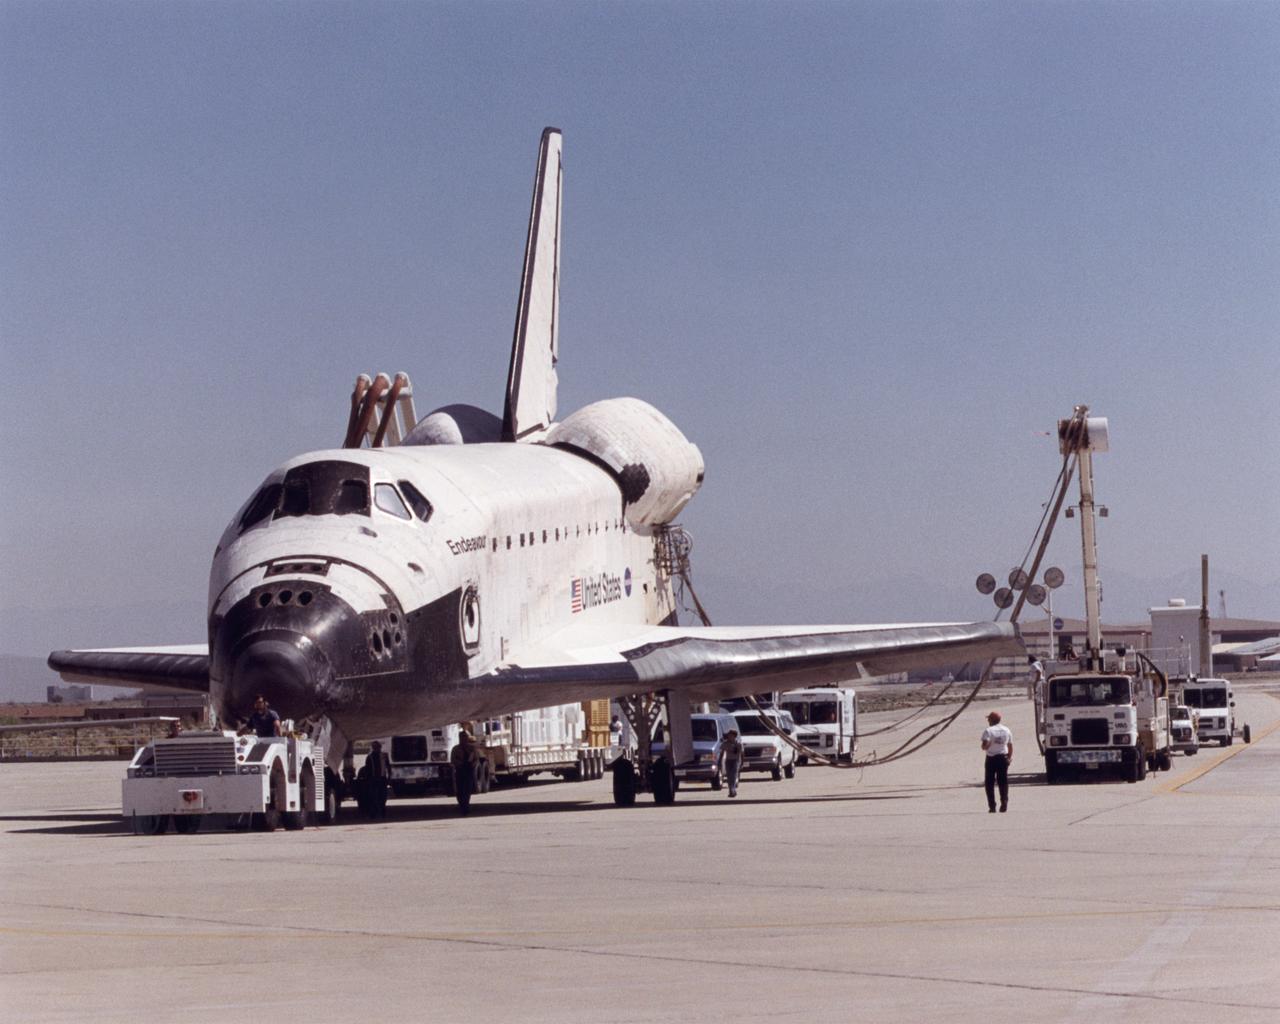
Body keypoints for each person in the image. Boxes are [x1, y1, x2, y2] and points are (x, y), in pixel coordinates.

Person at [981, 710, 1013, 813]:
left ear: (991, 720)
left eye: (989, 719)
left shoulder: (988, 730)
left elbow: (984, 746)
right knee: (1003, 781)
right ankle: (1004, 802)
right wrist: (1009, 757)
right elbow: (1010, 745)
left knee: (989, 783)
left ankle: (992, 806)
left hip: (991, 758)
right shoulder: (1006, 730)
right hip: (1003, 758)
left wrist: (987, 745)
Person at [450, 728, 481, 815]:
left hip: (468, 771)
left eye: (465, 737)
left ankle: (466, 805)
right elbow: (453, 760)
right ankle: (461, 805)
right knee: (460, 790)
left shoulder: (471, 748)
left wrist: (472, 765)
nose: (463, 739)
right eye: (462, 737)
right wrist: (459, 763)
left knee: (467, 789)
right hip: (460, 771)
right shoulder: (456, 749)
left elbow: (476, 759)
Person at [364, 740, 390, 819]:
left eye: (378, 747)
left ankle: (382, 812)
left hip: (382, 779)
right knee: (373, 797)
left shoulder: (384, 756)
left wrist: (389, 777)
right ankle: (374, 814)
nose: (377, 749)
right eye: (375, 747)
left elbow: (388, 767)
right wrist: (368, 780)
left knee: (382, 797)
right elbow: (367, 769)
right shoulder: (370, 757)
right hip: (373, 779)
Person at [720, 728, 744, 798]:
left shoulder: (738, 744)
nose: (729, 736)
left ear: (734, 736)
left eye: (730, 735)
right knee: (729, 776)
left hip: (735, 761)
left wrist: (742, 762)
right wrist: (719, 762)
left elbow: (742, 754)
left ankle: (732, 790)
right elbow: (722, 753)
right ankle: (732, 790)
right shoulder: (725, 743)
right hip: (728, 761)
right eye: (728, 735)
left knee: (733, 776)